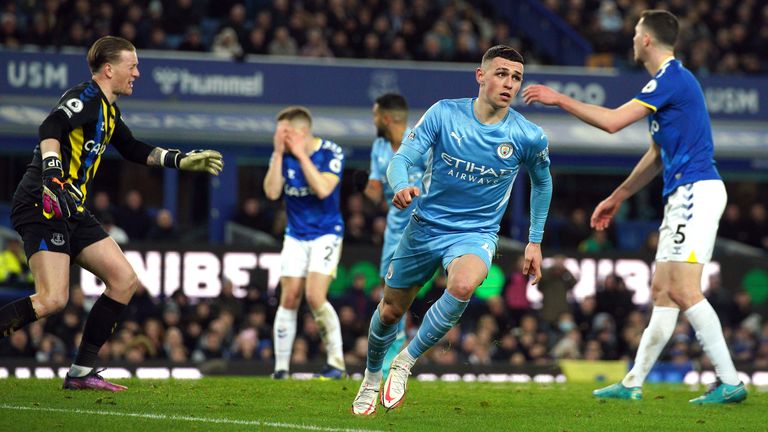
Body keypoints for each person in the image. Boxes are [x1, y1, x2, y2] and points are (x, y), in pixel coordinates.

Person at [523, 10, 746, 404]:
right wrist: (619, 195)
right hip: (682, 193)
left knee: (682, 289)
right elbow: (657, 155)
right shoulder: (668, 84)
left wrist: (559, 99)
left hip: (696, 191)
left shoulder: (671, 78)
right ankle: (632, 383)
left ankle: (729, 380)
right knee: (662, 290)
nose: (632, 40)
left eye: (635, 33)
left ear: (646, 40)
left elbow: (612, 122)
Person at [0, 36, 223, 391]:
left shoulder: (108, 111)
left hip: (72, 208)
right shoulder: (84, 98)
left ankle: (80, 372)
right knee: (53, 299)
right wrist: (52, 174)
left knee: (123, 280)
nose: (137, 72)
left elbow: (133, 148)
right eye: (131, 65)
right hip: (44, 201)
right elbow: (51, 127)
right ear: (109, 69)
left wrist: (180, 159)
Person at [352, 45, 552, 415]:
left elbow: (543, 183)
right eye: (501, 74)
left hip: (475, 233)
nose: (509, 83)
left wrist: (534, 241)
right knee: (390, 311)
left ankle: (405, 362)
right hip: (425, 226)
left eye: (517, 77)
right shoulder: (444, 113)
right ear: (481, 76)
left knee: (463, 285)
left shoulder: (528, 136)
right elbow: (403, 159)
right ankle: (370, 375)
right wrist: (400, 187)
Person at [263, 106, 347, 379]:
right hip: (296, 235)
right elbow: (272, 192)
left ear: (301, 132)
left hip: (326, 232)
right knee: (288, 297)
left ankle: (336, 363)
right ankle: (281, 369)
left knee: (314, 295)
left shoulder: (331, 153)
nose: (279, 137)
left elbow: (323, 189)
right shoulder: (282, 156)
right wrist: (278, 153)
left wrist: (300, 155)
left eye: (284, 133)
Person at [362, 93, 427, 379]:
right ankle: (393, 347)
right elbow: (375, 188)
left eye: (376, 115)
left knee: (410, 290)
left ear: (386, 118)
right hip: (394, 225)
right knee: (387, 288)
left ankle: (403, 349)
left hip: (423, 223)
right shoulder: (378, 146)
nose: (374, 120)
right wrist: (364, 187)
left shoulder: (420, 140)